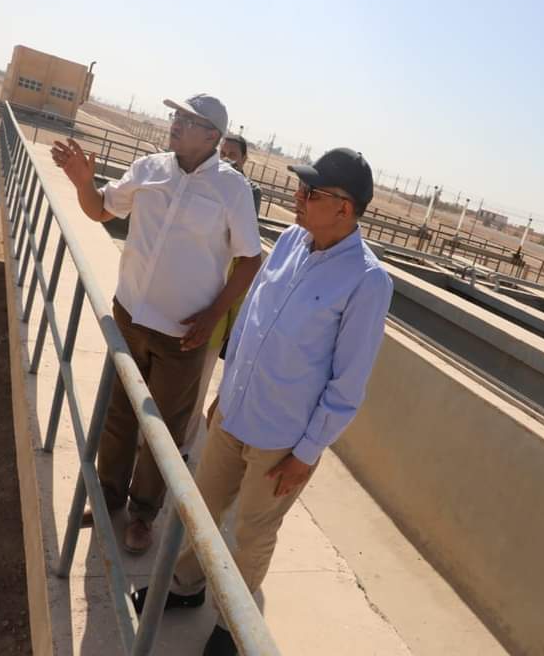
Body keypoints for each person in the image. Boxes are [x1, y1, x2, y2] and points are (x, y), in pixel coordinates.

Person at [132, 148, 393, 656]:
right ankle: (186, 586)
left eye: (310, 192)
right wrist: (223, 394)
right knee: (201, 509)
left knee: (252, 534)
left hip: (282, 440)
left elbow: (348, 383)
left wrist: (307, 452)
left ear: (344, 208)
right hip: (234, 414)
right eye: (301, 188)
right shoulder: (292, 241)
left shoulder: (367, 281)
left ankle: (232, 625)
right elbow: (252, 319)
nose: (297, 197)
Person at [50, 94, 262, 554]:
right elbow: (101, 209)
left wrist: (213, 315)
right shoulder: (148, 168)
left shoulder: (232, 190)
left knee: (162, 430)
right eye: (176, 115)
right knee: (118, 415)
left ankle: (143, 514)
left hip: (183, 337)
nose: (176, 123)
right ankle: (108, 496)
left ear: (213, 136)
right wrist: (83, 182)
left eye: (188, 119)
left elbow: (250, 259)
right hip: (130, 317)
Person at [181, 132, 263, 461]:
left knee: (195, 387)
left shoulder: (244, 197)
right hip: (182, 307)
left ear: (244, 160)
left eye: (234, 155)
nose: (228, 159)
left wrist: (227, 323)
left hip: (213, 320)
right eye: (223, 153)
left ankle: (181, 449)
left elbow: (244, 272)